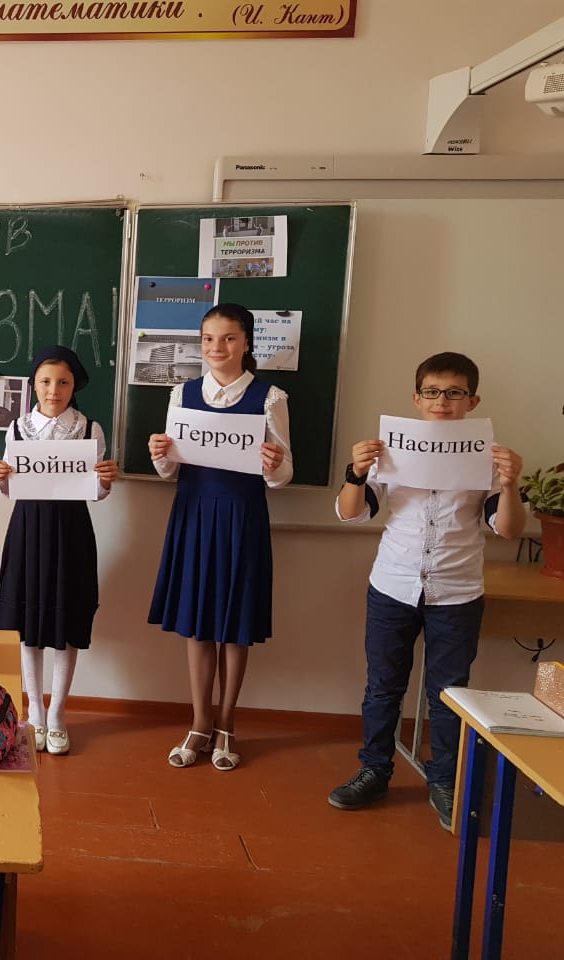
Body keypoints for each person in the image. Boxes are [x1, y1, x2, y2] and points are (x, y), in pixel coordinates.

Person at [327, 352, 525, 829]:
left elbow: (508, 529)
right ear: (416, 398)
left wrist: (510, 484)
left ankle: (444, 779)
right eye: (433, 392)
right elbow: (351, 513)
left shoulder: (487, 457)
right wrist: (355, 474)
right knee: (382, 687)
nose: (442, 401)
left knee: (449, 694)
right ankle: (374, 771)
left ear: (472, 401)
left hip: (457, 591)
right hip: (392, 585)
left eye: (455, 393)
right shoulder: (391, 450)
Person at [148, 303, 293, 772]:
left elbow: (283, 475)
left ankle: (227, 722)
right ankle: (199, 721)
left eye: (229, 338)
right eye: (208, 338)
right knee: (197, 622)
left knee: (234, 626)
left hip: (242, 518)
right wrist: (159, 453)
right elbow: (170, 471)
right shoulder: (183, 393)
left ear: (246, 343)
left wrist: (275, 465)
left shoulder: (270, 397)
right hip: (193, 514)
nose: (217, 347)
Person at [0, 346, 119, 756]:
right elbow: (9, 488)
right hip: (28, 529)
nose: (53, 390)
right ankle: (35, 714)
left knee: (65, 625)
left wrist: (105, 481)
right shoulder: (17, 428)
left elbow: (95, 493)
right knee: (28, 625)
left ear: (73, 385)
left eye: (63, 382)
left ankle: (58, 714)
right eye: (45, 381)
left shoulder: (89, 428)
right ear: (33, 385)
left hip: (71, 530)